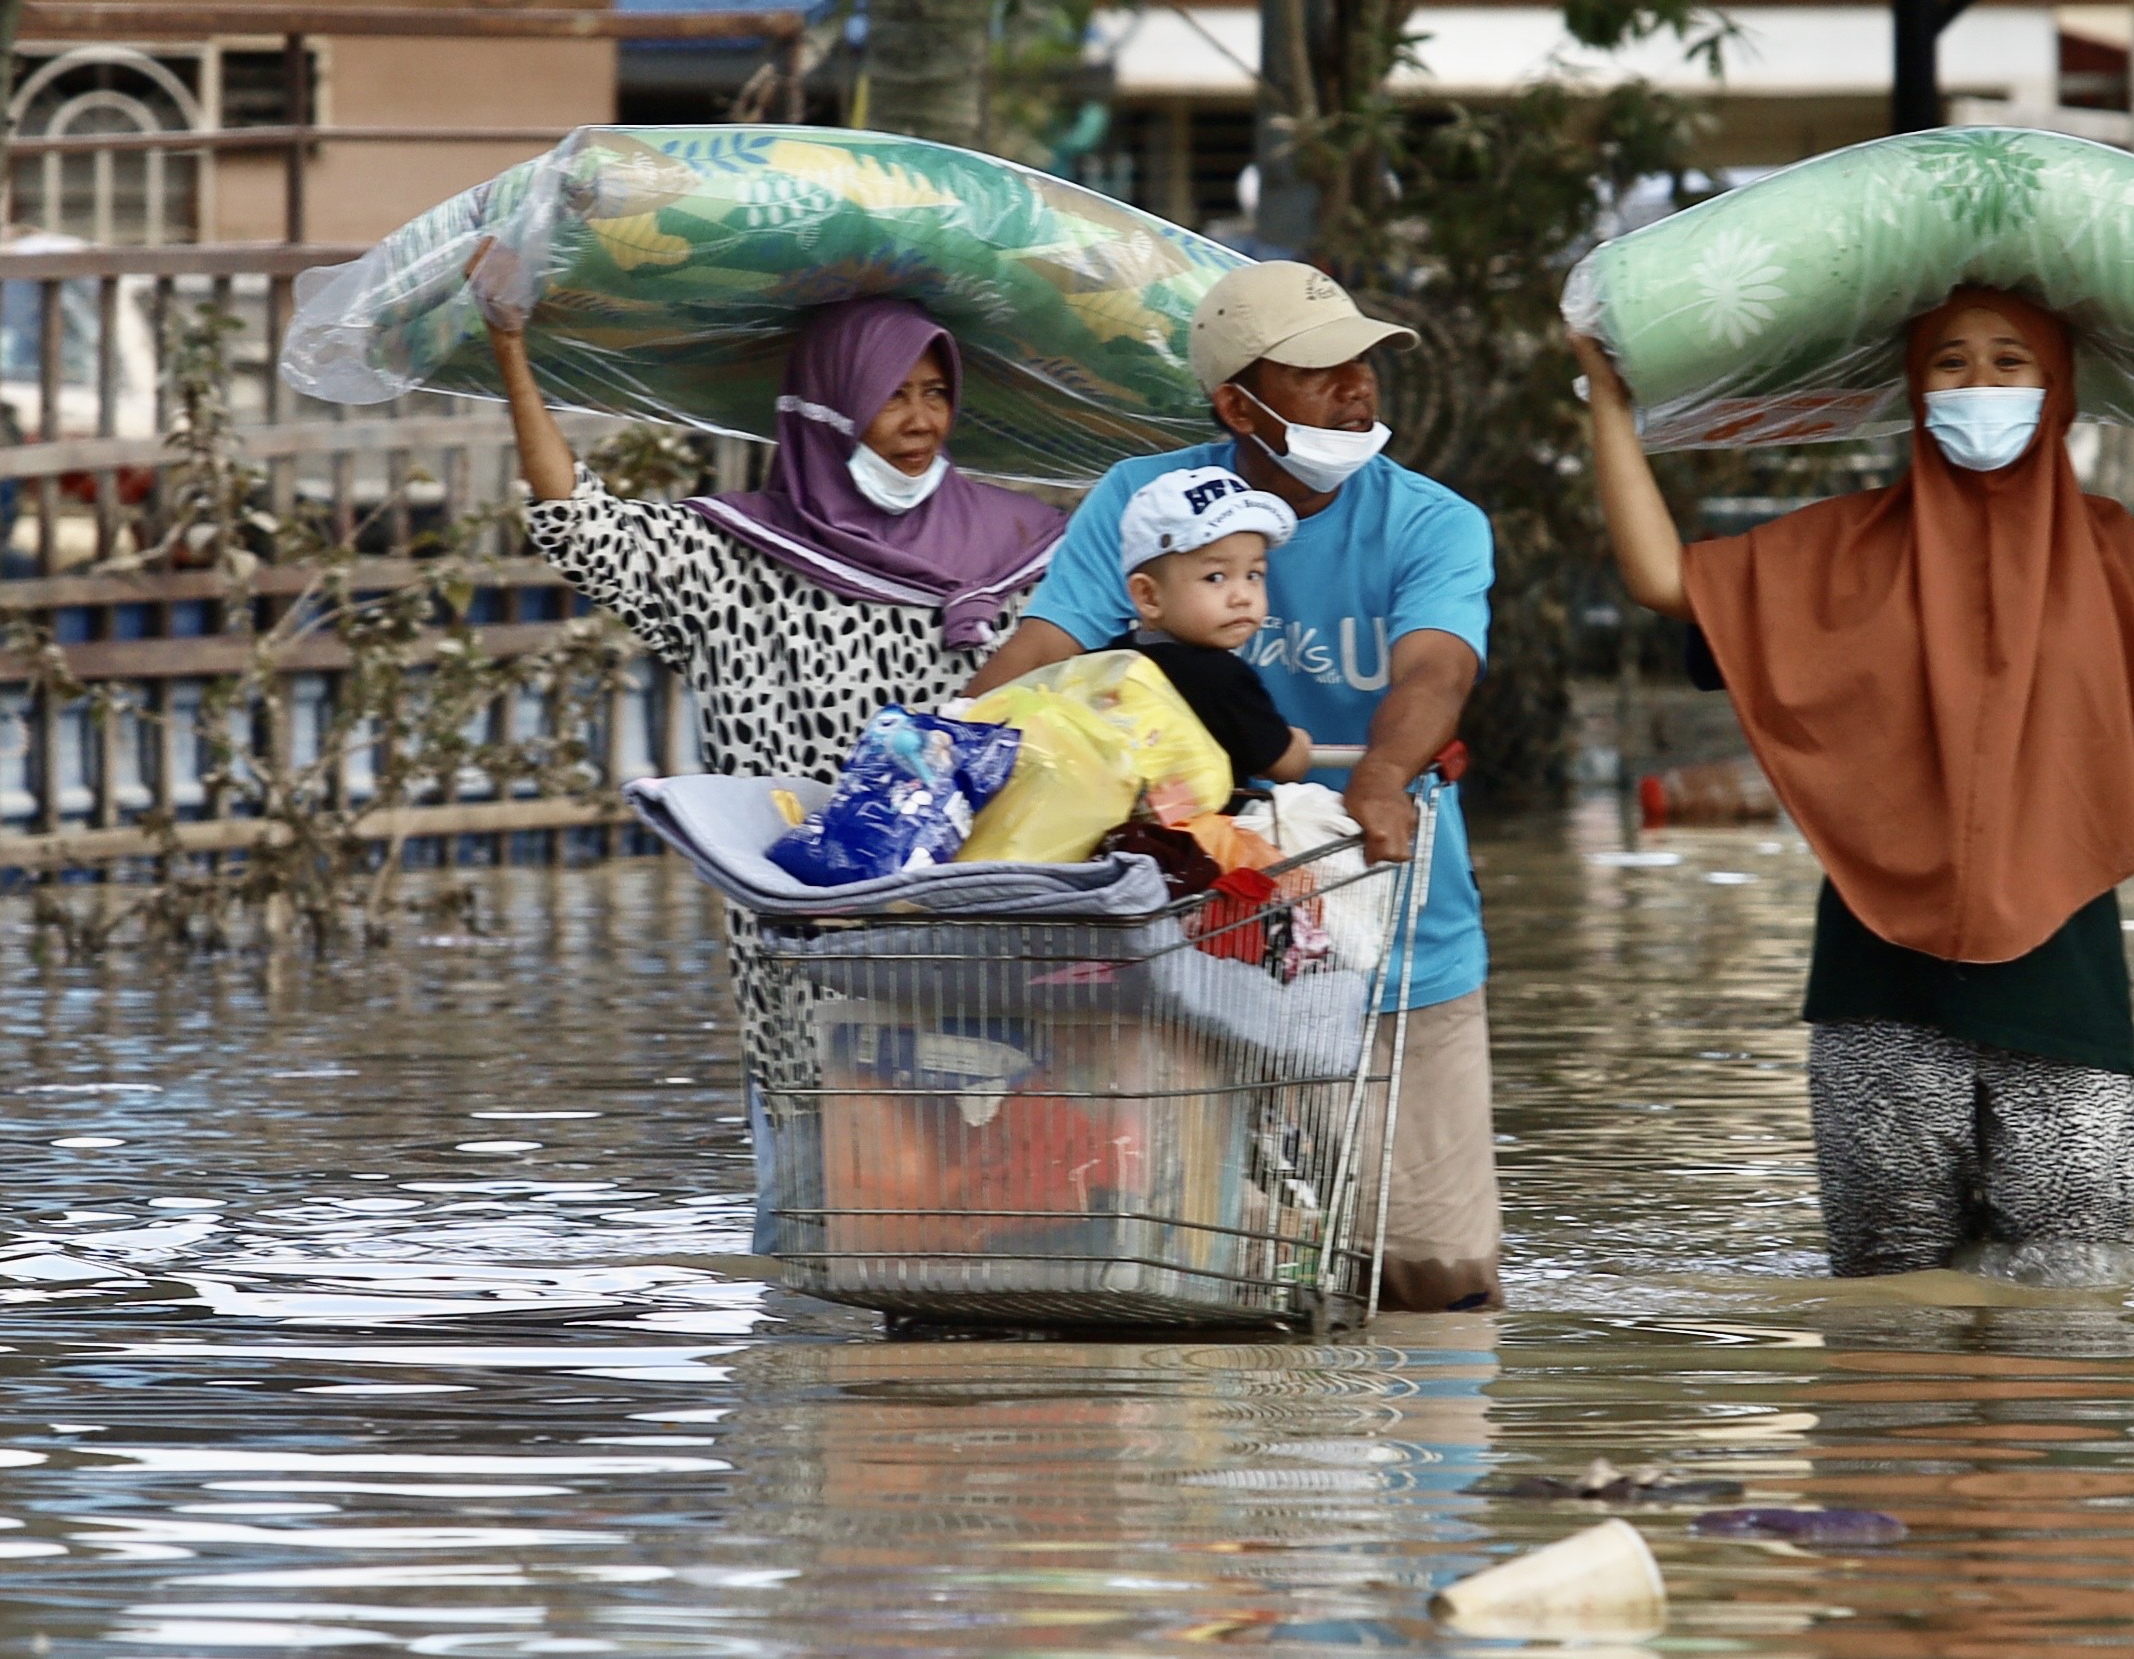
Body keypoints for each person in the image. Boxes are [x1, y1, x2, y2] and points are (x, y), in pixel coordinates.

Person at [1572, 286, 2134, 1277]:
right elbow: (1665, 578)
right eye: (1949, 362)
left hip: (2063, 991)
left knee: (2066, 1311)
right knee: (1894, 1322)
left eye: (2011, 362)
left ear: (2057, 391)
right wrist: (1611, 410)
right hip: (1875, 984)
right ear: (1913, 388)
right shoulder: (1838, 546)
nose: (1980, 384)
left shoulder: (2118, 560)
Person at [481, 287, 1067, 1250]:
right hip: (801, 921)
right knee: (817, 1191)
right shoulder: (732, 554)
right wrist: (511, 349)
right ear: (830, 406)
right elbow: (572, 523)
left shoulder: (1020, 546)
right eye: (893, 397)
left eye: (936, 393)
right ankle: (810, 1363)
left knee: (989, 1180)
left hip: (975, 911)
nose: (920, 422)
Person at [967, 261, 1503, 1312]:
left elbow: (1436, 667)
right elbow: (1042, 653)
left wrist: (1385, 777)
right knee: (1160, 1260)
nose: (1356, 389)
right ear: (1235, 403)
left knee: (1436, 1284)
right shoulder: (1142, 503)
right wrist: (945, 756)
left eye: (1363, 364)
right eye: (1319, 372)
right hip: (1174, 939)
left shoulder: (1433, 522)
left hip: (1390, 932)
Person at [1105, 464, 1312, 785]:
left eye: (1254, 574)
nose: (1242, 596)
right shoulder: (1221, 678)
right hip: (1198, 833)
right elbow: (1285, 766)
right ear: (1148, 596)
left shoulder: (1113, 658)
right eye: (1215, 577)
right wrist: (1298, 742)